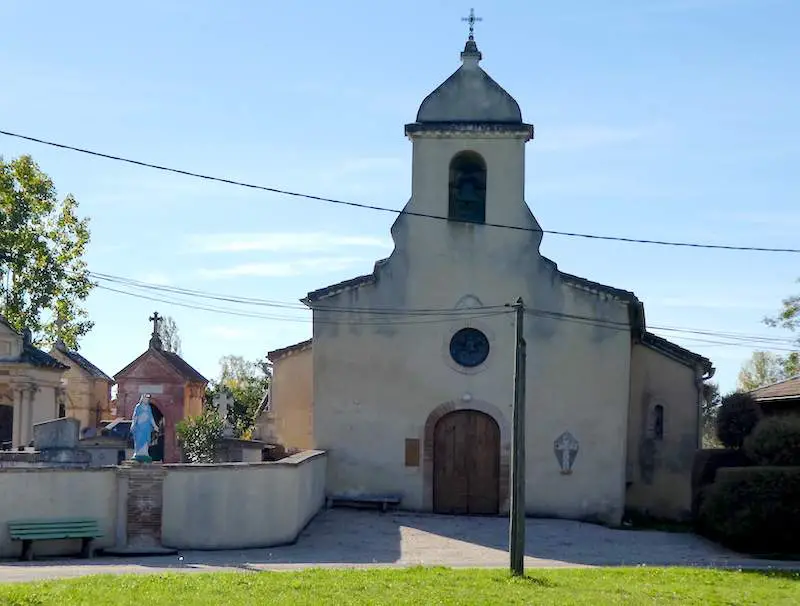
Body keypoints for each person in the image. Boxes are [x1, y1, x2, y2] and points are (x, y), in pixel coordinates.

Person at [131, 394, 159, 462]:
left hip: (146, 427)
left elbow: (151, 418)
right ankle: (137, 453)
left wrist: (155, 426)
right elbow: (135, 417)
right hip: (139, 426)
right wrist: (133, 424)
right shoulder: (138, 407)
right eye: (145, 399)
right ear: (142, 399)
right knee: (139, 439)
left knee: (146, 440)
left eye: (147, 399)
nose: (147, 400)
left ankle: (145, 453)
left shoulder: (148, 407)